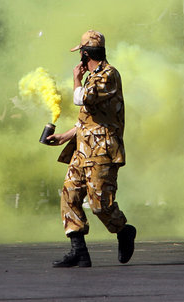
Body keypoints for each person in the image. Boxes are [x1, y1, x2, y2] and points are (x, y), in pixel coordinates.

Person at [47, 30, 136, 268]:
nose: (79, 59)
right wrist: (65, 136)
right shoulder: (94, 76)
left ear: (86, 54)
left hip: (102, 151)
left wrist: (76, 78)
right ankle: (79, 252)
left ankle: (124, 230)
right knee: (69, 194)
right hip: (83, 150)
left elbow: (81, 98)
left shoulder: (108, 75)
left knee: (100, 205)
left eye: (81, 53)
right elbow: (85, 119)